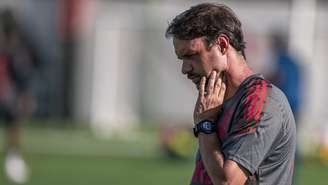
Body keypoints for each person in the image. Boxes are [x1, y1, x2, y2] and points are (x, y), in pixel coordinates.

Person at [165, 3, 296, 185]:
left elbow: (228, 182)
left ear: (222, 44)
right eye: (182, 59)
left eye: (191, 55)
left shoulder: (262, 101)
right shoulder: (218, 102)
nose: (185, 69)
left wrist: (205, 126)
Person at [0, 8, 36, 184]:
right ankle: (13, 156)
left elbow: (22, 74)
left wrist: (24, 95)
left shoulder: (16, 49)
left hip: (7, 94)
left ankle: (13, 157)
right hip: (7, 93)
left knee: (13, 124)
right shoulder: (14, 48)